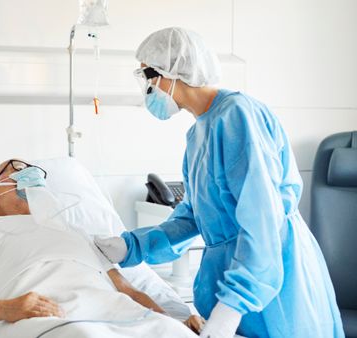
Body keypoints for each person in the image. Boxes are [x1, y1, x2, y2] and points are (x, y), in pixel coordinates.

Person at [94, 27, 344, 338]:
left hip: (275, 285)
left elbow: (262, 222)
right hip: (239, 286)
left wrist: (233, 306)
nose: (148, 88)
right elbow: (194, 215)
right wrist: (131, 246)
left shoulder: (238, 116)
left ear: (172, 73)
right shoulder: (198, 134)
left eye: (149, 75)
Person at [0, 158, 204, 334]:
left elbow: (128, 290)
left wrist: (172, 321)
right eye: (19, 170)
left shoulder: (76, 231)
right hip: (53, 319)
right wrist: (9, 308)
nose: (33, 174)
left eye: (37, 173)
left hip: (123, 315)